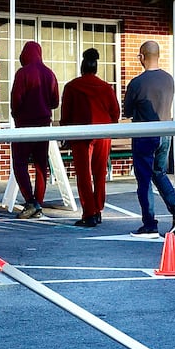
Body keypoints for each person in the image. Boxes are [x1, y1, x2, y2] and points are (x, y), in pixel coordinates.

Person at [121, 40, 175, 238]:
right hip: (165, 133)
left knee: (143, 180)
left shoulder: (137, 83)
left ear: (142, 57)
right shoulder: (169, 80)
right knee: (159, 173)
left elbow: (128, 112)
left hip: (144, 134)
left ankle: (149, 224)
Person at [61, 48, 121, 227]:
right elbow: (115, 113)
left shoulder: (72, 86)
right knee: (99, 172)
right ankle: (99, 208)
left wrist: (65, 132)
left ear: (82, 66)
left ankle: (89, 212)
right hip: (103, 133)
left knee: (84, 174)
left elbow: (66, 114)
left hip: (80, 133)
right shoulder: (106, 87)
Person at [9, 40, 59, 219]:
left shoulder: (22, 73)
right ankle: (39, 201)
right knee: (41, 164)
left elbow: (16, 98)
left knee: (20, 162)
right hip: (44, 124)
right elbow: (55, 101)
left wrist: (16, 114)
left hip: (24, 125)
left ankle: (30, 201)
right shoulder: (49, 73)